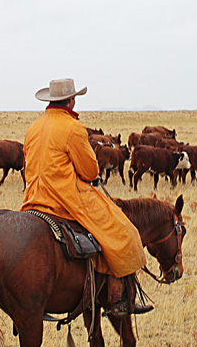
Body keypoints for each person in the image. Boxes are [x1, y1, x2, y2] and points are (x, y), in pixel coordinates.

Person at [20, 78, 152, 317]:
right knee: (122, 230)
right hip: (64, 198)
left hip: (32, 197)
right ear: (71, 100)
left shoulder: (33, 128)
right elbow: (90, 171)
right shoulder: (73, 128)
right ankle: (118, 297)